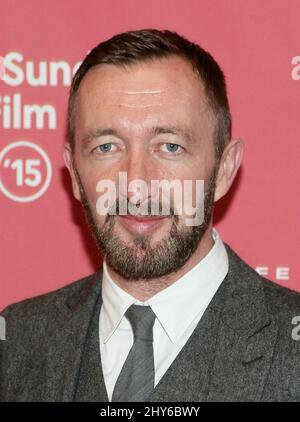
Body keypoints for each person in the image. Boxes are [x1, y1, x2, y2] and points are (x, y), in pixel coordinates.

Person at [1, 29, 299, 402]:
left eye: (170, 146)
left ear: (224, 169)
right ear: (75, 173)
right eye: (107, 146)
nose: (136, 184)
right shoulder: (15, 340)